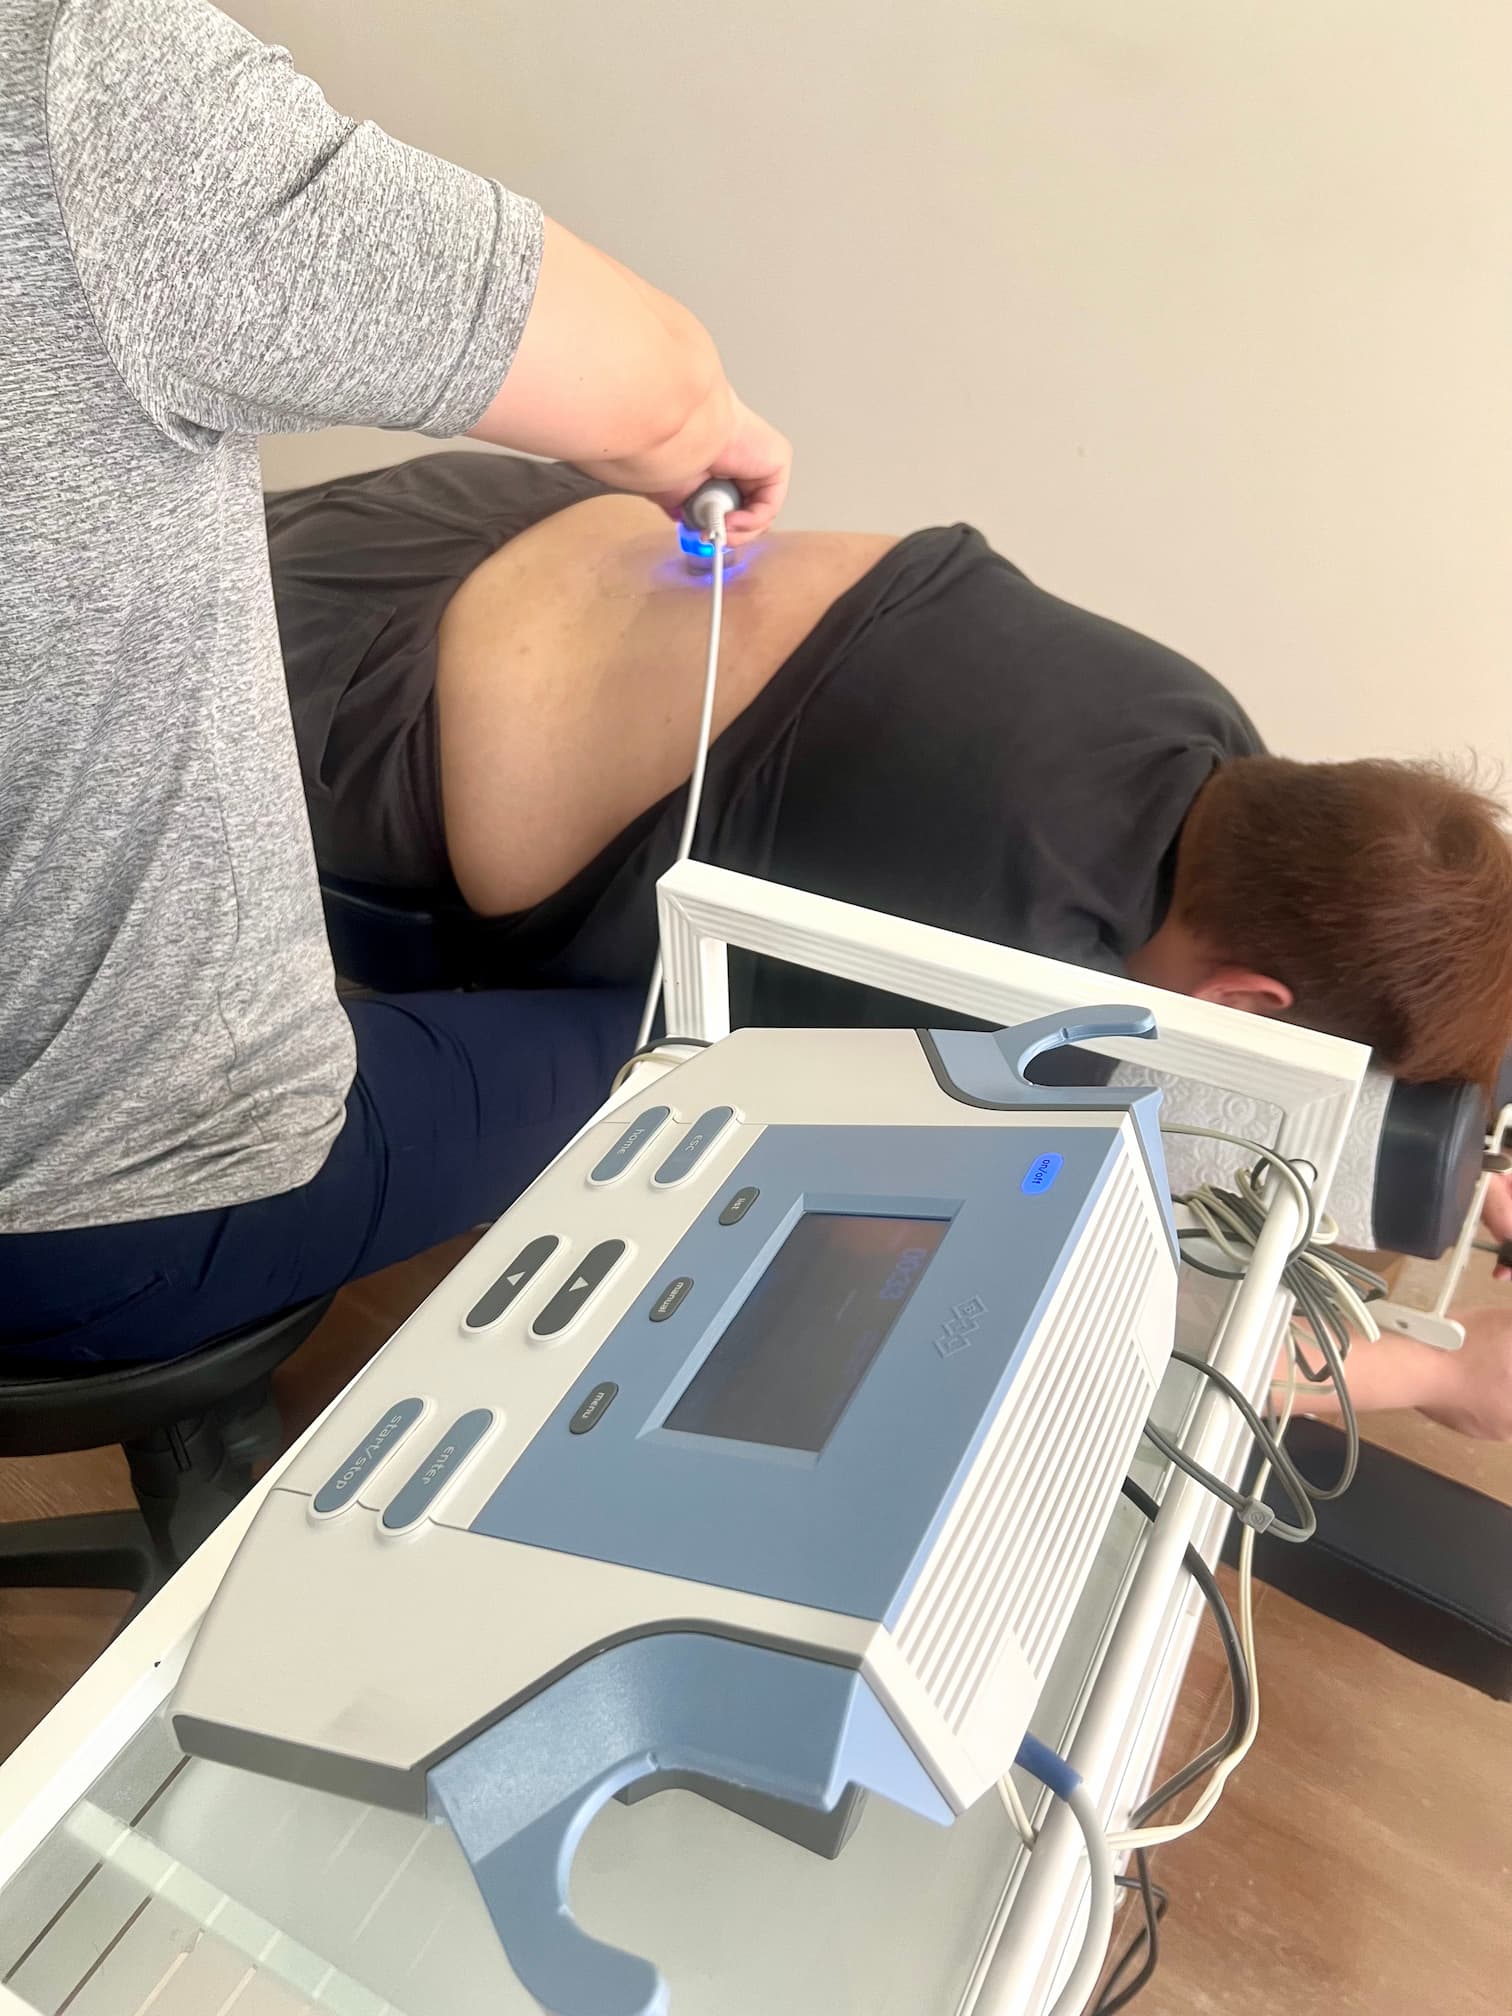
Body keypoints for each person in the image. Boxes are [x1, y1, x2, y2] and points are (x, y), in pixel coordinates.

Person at [262, 449, 1512, 1434]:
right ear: (1250, 1004)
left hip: (461, 522)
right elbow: (1097, 1339)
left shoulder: (1201, 729)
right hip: (335, 723)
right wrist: (1435, 1381)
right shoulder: (1016, 996)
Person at [0, 0, 791, 1363]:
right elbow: (647, 391)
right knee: (703, 1044)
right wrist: (710, 443)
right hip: (98, 1207)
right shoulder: (85, 96)